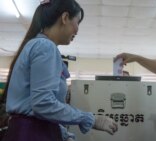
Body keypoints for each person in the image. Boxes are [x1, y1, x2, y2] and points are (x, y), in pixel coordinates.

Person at [0, 0, 118, 141]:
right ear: (65, 18)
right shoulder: (45, 47)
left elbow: (36, 109)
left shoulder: (37, 45)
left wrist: (63, 134)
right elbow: (43, 104)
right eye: (77, 22)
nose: (77, 30)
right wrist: (90, 119)